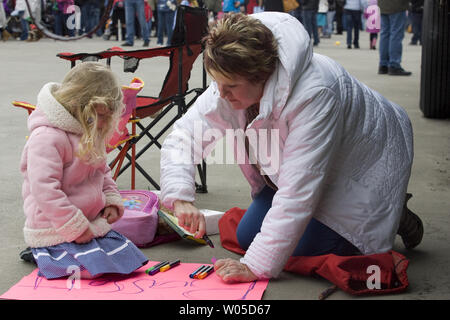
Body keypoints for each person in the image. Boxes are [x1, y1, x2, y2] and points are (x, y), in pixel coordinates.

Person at [159, 12, 423, 283]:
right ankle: (387, 213)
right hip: (307, 169)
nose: (220, 94)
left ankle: (392, 209)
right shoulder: (231, 78)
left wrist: (255, 267)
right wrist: (181, 198)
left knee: (299, 247)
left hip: (366, 166)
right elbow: (183, 137)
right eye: (217, 83)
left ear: (261, 76)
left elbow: (299, 191)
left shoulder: (316, 93)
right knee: (248, 235)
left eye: (230, 87)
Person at [19, 62, 148, 279]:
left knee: (127, 259)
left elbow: (102, 171)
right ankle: (41, 253)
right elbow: (44, 190)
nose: (105, 122)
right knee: (89, 270)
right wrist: (73, 226)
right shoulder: (47, 137)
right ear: (80, 105)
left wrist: (111, 200)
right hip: (55, 226)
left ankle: (57, 253)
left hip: (89, 223)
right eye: (102, 116)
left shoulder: (87, 128)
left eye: (109, 117)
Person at [377, 0, 411, 76]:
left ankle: (383, 65)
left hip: (383, 5)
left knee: (384, 34)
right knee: (396, 34)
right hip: (397, 6)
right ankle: (394, 65)